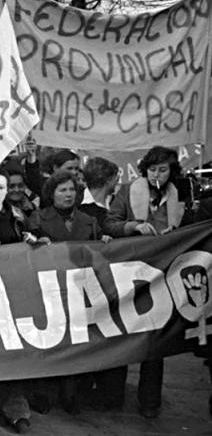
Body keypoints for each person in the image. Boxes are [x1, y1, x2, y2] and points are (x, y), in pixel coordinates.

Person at [104, 146, 186, 419]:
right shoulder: (128, 191)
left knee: (156, 338)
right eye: (152, 170)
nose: (156, 175)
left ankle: (149, 401)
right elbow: (110, 223)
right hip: (129, 272)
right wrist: (133, 227)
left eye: (162, 170)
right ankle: (113, 396)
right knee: (122, 332)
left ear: (172, 172)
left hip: (163, 276)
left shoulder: (179, 194)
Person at [27, 170, 101, 415]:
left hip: (80, 290)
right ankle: (43, 393)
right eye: (62, 190)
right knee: (50, 342)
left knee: (76, 341)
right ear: (52, 193)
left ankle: (71, 395)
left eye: (72, 190)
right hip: (49, 290)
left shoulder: (89, 221)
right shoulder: (37, 219)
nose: (68, 194)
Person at [0, 166, 41, 433]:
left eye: (1, 187)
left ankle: (16, 408)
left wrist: (32, 241)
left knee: (13, 349)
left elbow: (38, 242)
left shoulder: (20, 215)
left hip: (15, 291)